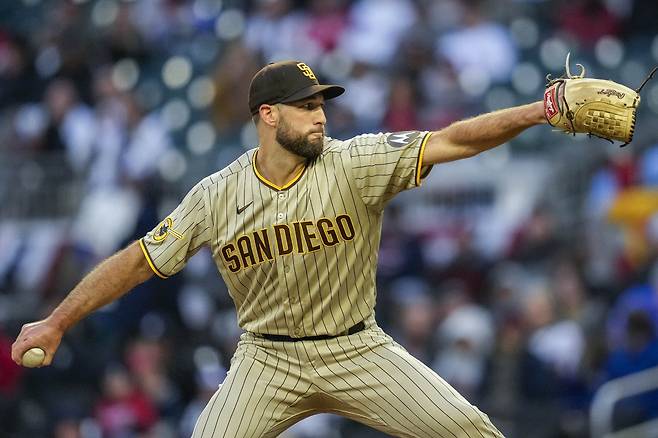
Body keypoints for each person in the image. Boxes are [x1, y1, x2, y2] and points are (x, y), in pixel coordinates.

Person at [13, 60, 547, 437]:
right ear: (269, 115)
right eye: (306, 106)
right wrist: (56, 322)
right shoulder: (216, 195)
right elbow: (136, 262)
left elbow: (454, 139)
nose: (321, 116)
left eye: (322, 105)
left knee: (472, 431)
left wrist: (539, 111)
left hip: (357, 349)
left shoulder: (353, 162)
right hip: (265, 359)